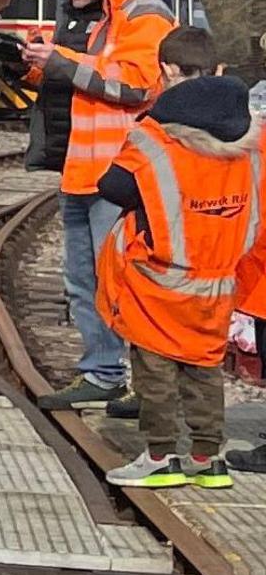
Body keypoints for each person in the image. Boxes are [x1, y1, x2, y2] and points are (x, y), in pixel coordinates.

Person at [22, 0, 180, 410]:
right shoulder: (95, 14)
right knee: (84, 280)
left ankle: (132, 380)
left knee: (123, 280)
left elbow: (134, 86)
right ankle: (104, 372)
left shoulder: (144, 15)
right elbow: (79, 80)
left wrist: (60, 62)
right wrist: (29, 65)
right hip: (85, 170)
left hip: (120, 175)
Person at [92, 25, 255, 489]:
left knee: (155, 370)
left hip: (159, 279)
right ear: (218, 69)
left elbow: (114, 187)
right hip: (218, 278)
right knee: (205, 368)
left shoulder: (154, 138)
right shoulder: (251, 142)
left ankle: (160, 456)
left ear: (164, 70)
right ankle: (207, 458)